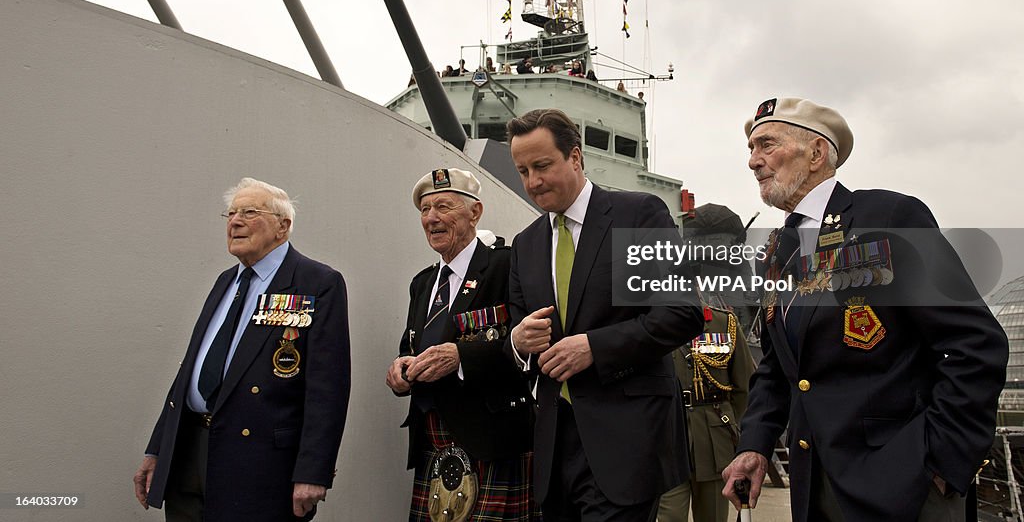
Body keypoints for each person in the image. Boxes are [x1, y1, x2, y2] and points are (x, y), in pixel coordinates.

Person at [722, 97, 1008, 522]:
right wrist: (754, 443)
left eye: (766, 145)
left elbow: (975, 345)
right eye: (750, 149)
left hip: (904, 488)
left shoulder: (889, 217)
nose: (753, 161)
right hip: (815, 486)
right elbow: (779, 369)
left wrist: (941, 462)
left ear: (817, 153)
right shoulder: (776, 252)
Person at [505, 108, 703, 521]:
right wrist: (518, 342)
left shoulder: (639, 215)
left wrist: (595, 347)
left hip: (626, 443)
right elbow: (520, 330)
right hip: (555, 449)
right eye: (523, 170)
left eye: (542, 166)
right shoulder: (525, 244)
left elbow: (682, 313)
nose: (532, 182)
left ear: (575, 158)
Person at [133, 178, 351, 521]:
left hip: (260, 464)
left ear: (283, 226)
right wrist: (159, 448)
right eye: (231, 213)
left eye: (249, 212)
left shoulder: (317, 283)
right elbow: (191, 370)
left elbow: (328, 387)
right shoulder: (225, 282)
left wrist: (313, 471)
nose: (235, 221)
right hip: (190, 453)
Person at [387, 168, 536, 521]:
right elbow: (411, 345)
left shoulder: (507, 264)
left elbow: (529, 344)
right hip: (432, 440)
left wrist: (461, 357)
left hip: (493, 441)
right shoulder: (422, 283)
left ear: (475, 212)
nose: (431, 218)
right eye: (425, 210)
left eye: (443, 206)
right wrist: (400, 369)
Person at [657, 302, 754, 522]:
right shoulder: (652, 322)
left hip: (713, 442)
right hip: (667, 437)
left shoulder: (723, 323)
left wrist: (730, 429)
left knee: (713, 516)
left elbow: (744, 387)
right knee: (668, 516)